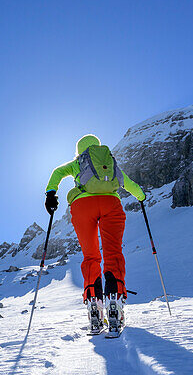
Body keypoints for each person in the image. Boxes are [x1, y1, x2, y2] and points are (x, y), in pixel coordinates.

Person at [44, 135, 146, 325]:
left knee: (91, 256)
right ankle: (115, 299)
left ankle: (94, 302)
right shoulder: (109, 162)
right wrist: (141, 196)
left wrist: (51, 193)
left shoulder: (78, 162)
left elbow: (57, 171)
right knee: (113, 253)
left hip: (82, 206)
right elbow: (129, 183)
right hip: (111, 204)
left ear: (79, 149)